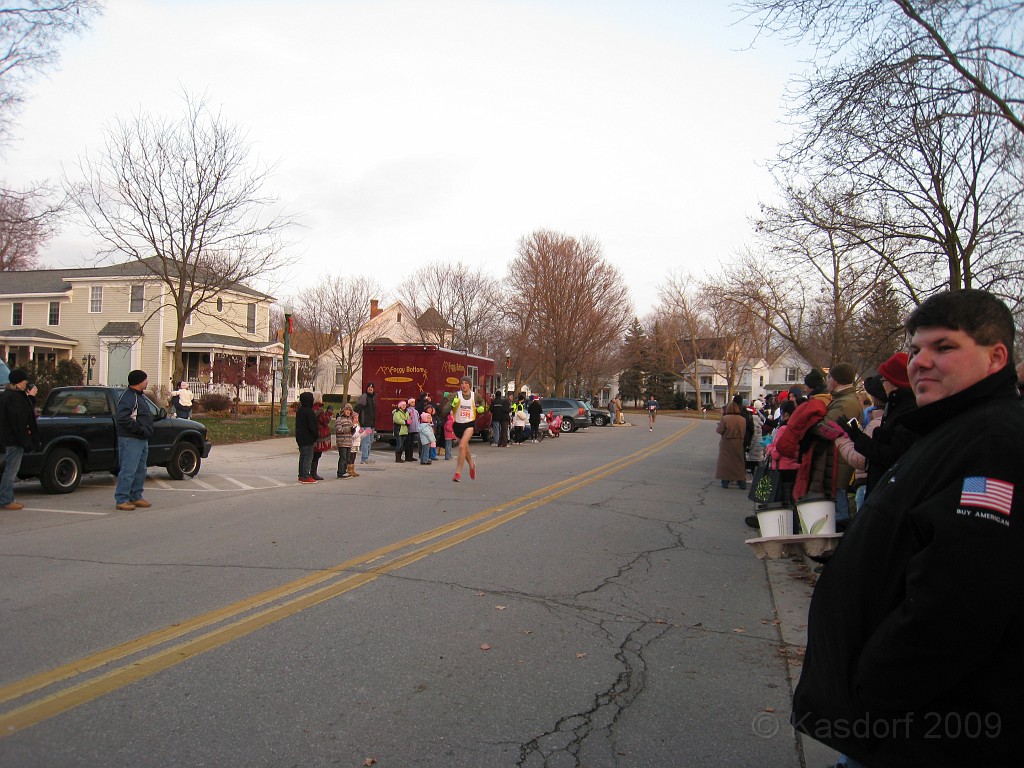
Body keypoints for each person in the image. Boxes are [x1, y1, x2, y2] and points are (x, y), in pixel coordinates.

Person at [793, 289, 1024, 767]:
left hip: (918, 730)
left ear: (996, 356)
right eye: (917, 348)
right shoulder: (948, 429)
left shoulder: (993, 444)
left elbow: (963, 599)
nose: (921, 362)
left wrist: (873, 690)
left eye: (944, 347)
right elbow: (913, 538)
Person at [0, 369, 41, 511]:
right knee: (11, 470)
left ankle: (6, 498)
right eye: (24, 381)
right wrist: (25, 441)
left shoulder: (7, 395)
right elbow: (20, 419)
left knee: (8, 469)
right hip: (13, 440)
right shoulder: (15, 397)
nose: (26, 383)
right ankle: (6, 500)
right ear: (18, 382)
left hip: (7, 439)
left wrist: (29, 397)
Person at [114, 370, 155, 510]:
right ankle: (122, 499)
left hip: (141, 438)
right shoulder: (129, 397)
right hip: (130, 438)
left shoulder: (139, 396)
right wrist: (139, 429)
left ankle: (136, 496)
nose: (147, 382)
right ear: (139, 381)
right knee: (128, 469)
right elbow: (123, 418)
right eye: (145, 379)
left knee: (140, 469)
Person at [451, 376, 482, 481]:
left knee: (461, 446)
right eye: (462, 383)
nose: (463, 385)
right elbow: (446, 406)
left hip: (469, 424)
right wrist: (452, 404)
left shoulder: (475, 395)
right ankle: (472, 465)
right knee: (466, 449)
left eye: (466, 383)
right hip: (458, 424)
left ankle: (457, 472)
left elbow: (483, 403)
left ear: (469, 385)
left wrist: (481, 408)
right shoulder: (456, 395)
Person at [715, 402, 747, 489]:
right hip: (739, 442)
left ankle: (725, 481)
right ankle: (741, 482)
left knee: (726, 462)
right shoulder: (743, 419)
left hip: (727, 442)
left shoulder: (725, 419)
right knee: (738, 462)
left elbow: (720, 430)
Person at [295, 391, 318, 483]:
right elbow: (312, 426)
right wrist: (315, 436)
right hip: (308, 437)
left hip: (300, 437)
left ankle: (301, 475)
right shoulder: (309, 412)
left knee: (302, 456)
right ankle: (305, 475)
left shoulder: (300, 411)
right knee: (308, 457)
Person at [353, 382, 377, 465]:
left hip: (371, 424)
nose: (370, 389)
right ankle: (364, 458)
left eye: (372, 387)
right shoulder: (364, 397)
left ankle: (367, 458)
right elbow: (357, 408)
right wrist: (356, 419)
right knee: (366, 442)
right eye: (369, 387)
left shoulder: (373, 398)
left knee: (370, 441)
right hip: (365, 424)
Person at [310, 396, 332, 481]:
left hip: (314, 434)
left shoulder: (312, 409)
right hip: (320, 435)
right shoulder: (319, 410)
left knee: (313, 455)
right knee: (316, 455)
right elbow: (325, 420)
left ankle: (310, 472)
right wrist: (330, 413)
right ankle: (313, 473)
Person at [334, 402, 358, 478]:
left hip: (348, 441)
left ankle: (344, 471)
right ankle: (340, 472)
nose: (348, 411)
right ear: (343, 410)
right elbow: (339, 430)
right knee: (343, 457)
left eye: (349, 410)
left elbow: (351, 432)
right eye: (346, 410)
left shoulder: (350, 419)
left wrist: (353, 429)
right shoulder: (339, 419)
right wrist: (348, 429)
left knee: (347, 458)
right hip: (342, 441)